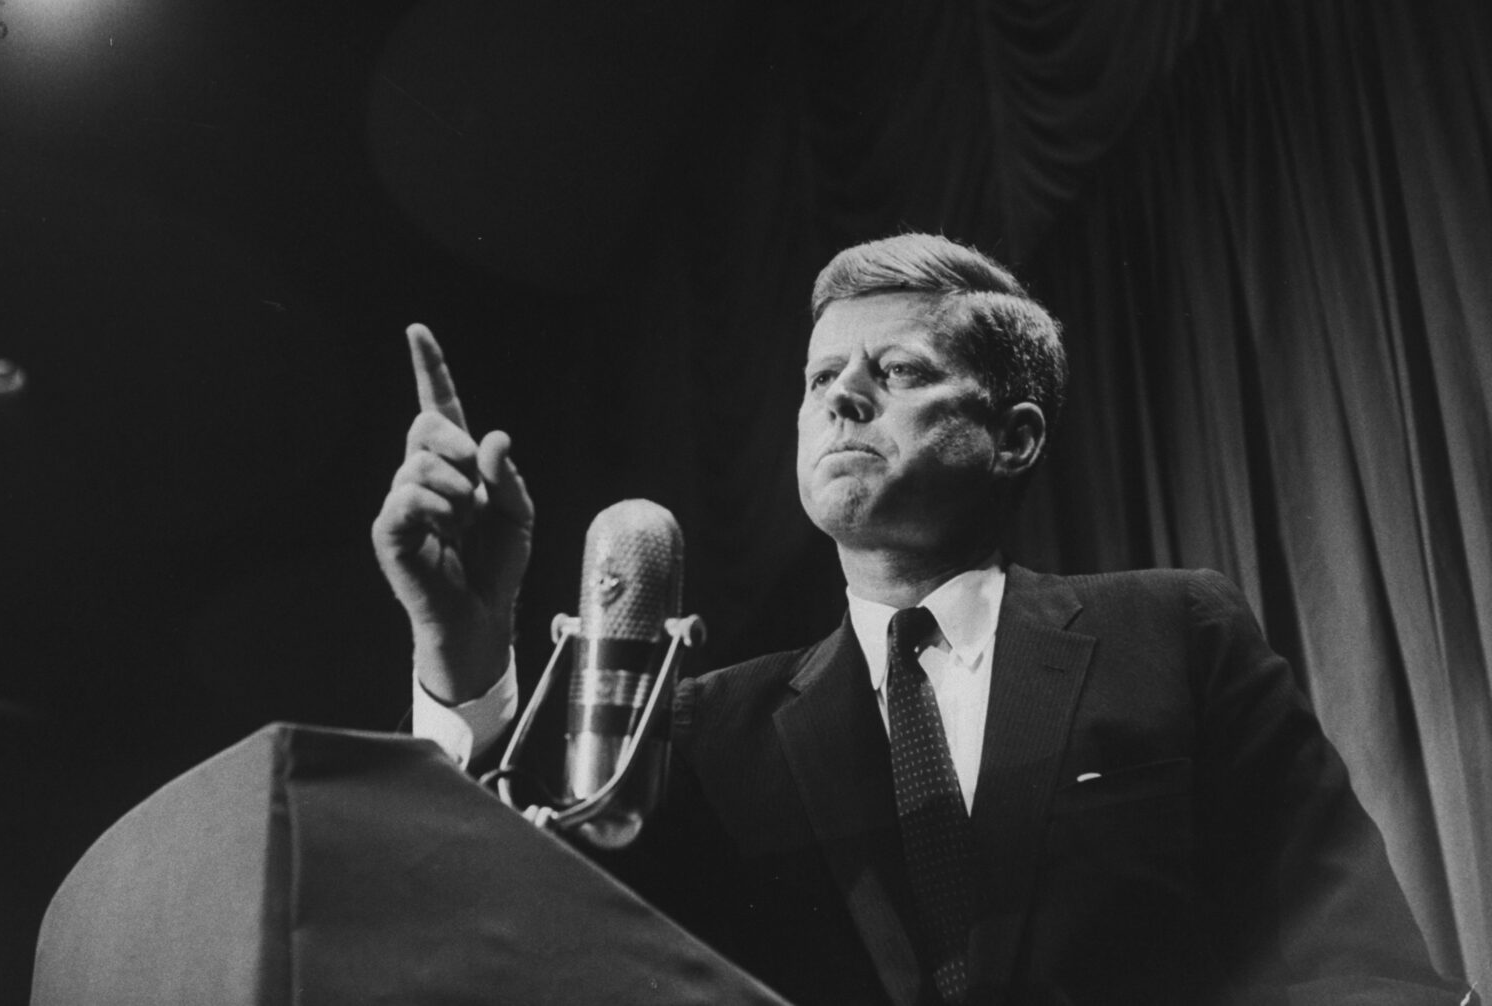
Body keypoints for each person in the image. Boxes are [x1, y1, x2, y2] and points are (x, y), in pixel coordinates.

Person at [372, 234, 1475, 1005]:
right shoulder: (702, 731)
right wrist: (463, 654)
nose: (841, 397)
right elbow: (527, 936)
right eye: (819, 378)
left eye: (896, 370)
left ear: (1015, 437)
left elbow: (1357, 961)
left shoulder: (1175, 634)